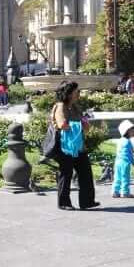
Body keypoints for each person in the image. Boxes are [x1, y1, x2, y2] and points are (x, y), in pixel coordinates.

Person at [51, 80, 99, 211]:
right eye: (76, 91)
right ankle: (64, 202)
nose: (79, 93)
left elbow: (85, 126)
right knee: (66, 175)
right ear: (69, 93)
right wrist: (79, 124)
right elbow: (62, 125)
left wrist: (84, 124)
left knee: (86, 173)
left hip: (79, 146)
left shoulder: (76, 107)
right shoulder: (61, 106)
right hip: (65, 147)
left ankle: (87, 201)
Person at [112, 119, 134, 198]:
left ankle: (115, 191)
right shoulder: (128, 142)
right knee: (125, 178)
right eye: (132, 131)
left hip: (117, 162)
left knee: (117, 177)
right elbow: (129, 156)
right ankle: (125, 192)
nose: (133, 132)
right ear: (126, 131)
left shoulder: (119, 141)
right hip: (125, 163)